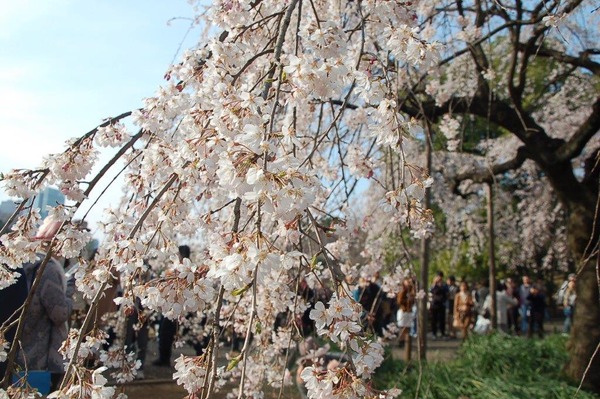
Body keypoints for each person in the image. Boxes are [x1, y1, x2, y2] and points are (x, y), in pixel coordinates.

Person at [17, 216, 75, 392]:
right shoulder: (47, 268)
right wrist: (71, 288)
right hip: (40, 357)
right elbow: (59, 314)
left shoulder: (25, 261)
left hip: (18, 347)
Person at [153, 245, 191, 367]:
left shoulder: (185, 268)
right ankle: (164, 357)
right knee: (165, 332)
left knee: (166, 332)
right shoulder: (179, 268)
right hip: (171, 303)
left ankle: (164, 358)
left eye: (179, 254)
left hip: (176, 305)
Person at [396, 277, 416, 360]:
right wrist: (407, 300)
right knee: (402, 327)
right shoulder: (402, 290)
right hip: (403, 311)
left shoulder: (411, 290)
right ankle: (401, 341)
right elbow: (399, 301)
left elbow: (414, 298)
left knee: (408, 327)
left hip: (409, 311)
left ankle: (406, 340)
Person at [429, 271, 448, 339]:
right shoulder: (434, 285)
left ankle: (442, 333)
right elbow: (431, 291)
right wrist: (434, 283)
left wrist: (441, 285)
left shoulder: (444, 285)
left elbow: (446, 292)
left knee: (442, 320)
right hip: (434, 304)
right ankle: (434, 333)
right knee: (434, 320)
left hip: (442, 304)